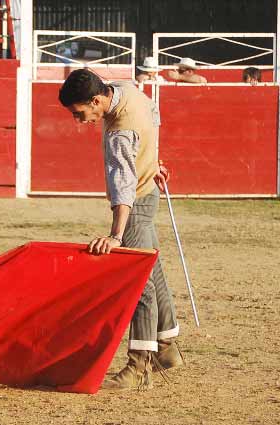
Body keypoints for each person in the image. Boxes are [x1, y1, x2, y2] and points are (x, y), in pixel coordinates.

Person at [58, 68, 184, 390]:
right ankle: (167, 347)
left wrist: (116, 234)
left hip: (138, 201)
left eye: (80, 112)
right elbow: (153, 111)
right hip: (149, 192)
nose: (79, 120)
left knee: (138, 281)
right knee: (152, 270)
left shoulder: (118, 132)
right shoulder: (125, 89)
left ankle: (140, 364)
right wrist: (153, 160)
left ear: (97, 100)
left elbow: (123, 187)